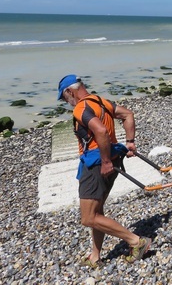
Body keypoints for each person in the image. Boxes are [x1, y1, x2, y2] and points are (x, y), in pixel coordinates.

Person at [57, 74, 152, 267]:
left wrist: (106, 161)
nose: (66, 102)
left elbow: (100, 131)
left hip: (97, 164)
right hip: (113, 161)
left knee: (88, 217)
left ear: (69, 91)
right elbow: (128, 114)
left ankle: (136, 241)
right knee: (97, 211)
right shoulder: (100, 102)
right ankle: (95, 255)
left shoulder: (81, 107)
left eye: (64, 98)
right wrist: (130, 142)